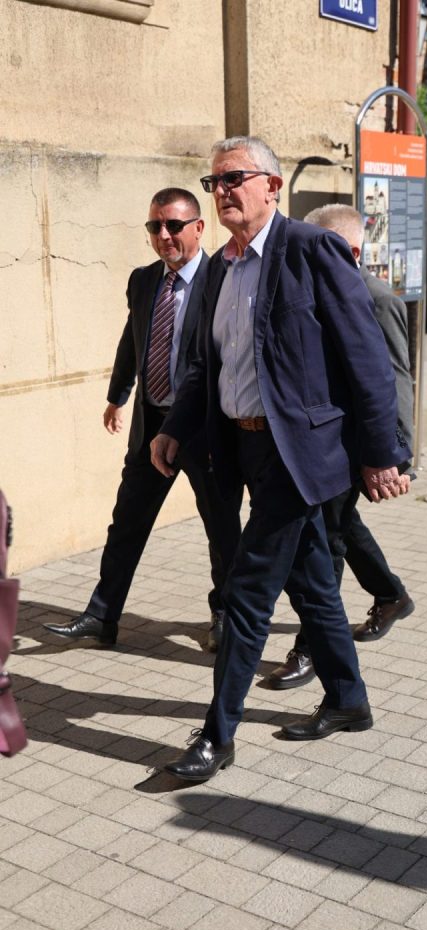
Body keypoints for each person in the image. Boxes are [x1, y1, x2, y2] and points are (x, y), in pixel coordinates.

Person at [151, 137, 411, 783]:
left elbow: (366, 360)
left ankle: (218, 735)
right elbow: (204, 364)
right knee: (314, 582)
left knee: (246, 591)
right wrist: (174, 428)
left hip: (301, 452)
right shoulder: (219, 268)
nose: (222, 191)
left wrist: (382, 454)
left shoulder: (310, 249)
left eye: (234, 178)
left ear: (271, 185)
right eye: (214, 182)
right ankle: (348, 700)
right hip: (241, 445)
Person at [44, 188, 242, 652]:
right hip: (151, 423)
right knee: (127, 522)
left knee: (221, 528)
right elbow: (132, 339)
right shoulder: (144, 280)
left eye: (174, 225)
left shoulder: (224, 278)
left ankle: (226, 614)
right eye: (155, 226)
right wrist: (118, 396)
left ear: (199, 227)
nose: (164, 235)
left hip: (204, 428)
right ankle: (102, 616)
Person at [266, 203, 415, 690]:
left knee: (323, 546)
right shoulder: (307, 290)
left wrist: (397, 455)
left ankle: (311, 648)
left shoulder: (377, 297)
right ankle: (390, 594)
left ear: (345, 251)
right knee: (339, 527)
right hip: (315, 447)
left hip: (354, 448)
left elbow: (394, 379)